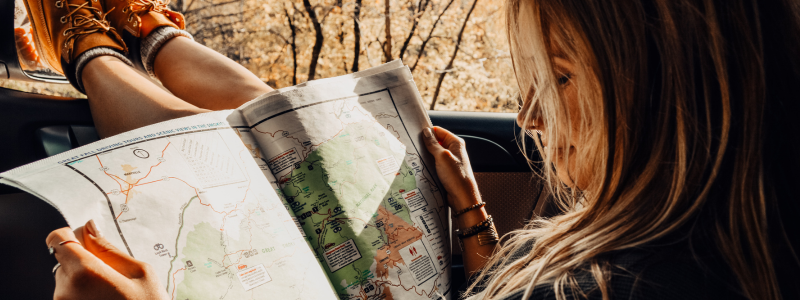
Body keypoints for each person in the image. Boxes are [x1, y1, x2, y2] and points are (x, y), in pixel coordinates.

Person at [37, 0, 800, 299]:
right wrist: (471, 221)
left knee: (236, 154)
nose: (530, 117)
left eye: (561, 77)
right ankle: (149, 33)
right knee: (293, 131)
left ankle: (88, 45)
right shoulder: (700, 238)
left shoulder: (623, 286)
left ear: (674, 93)